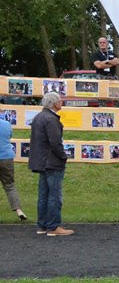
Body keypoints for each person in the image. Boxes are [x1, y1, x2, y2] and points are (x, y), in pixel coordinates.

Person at [28, 92, 73, 236]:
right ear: (54, 103)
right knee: (54, 195)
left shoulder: (38, 117)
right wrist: (63, 156)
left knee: (43, 195)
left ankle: (42, 226)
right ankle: (53, 227)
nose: (62, 103)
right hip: (52, 162)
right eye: (60, 101)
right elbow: (55, 142)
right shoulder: (51, 119)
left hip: (41, 162)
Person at [0, 113, 27, 221]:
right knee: (9, 185)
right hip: (6, 157)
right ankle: (18, 210)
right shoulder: (6, 124)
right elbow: (9, 136)